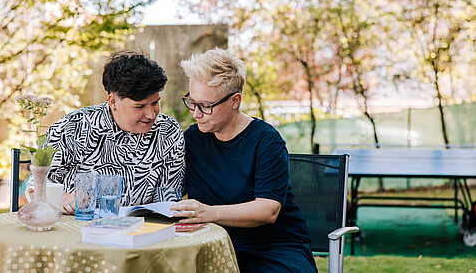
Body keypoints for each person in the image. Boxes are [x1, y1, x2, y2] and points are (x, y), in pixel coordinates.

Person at [170, 48, 317, 273]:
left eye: (206, 106)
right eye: (192, 102)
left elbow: (268, 210)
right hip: (215, 243)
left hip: (275, 247)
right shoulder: (192, 139)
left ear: (235, 101)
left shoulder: (266, 140)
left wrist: (210, 212)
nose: (196, 113)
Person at [44, 51, 185, 214]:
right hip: (77, 229)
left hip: (141, 232)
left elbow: (169, 202)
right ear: (113, 101)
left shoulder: (168, 132)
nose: (151, 115)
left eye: (155, 103)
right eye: (140, 106)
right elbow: (34, 191)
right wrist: (64, 199)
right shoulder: (72, 127)